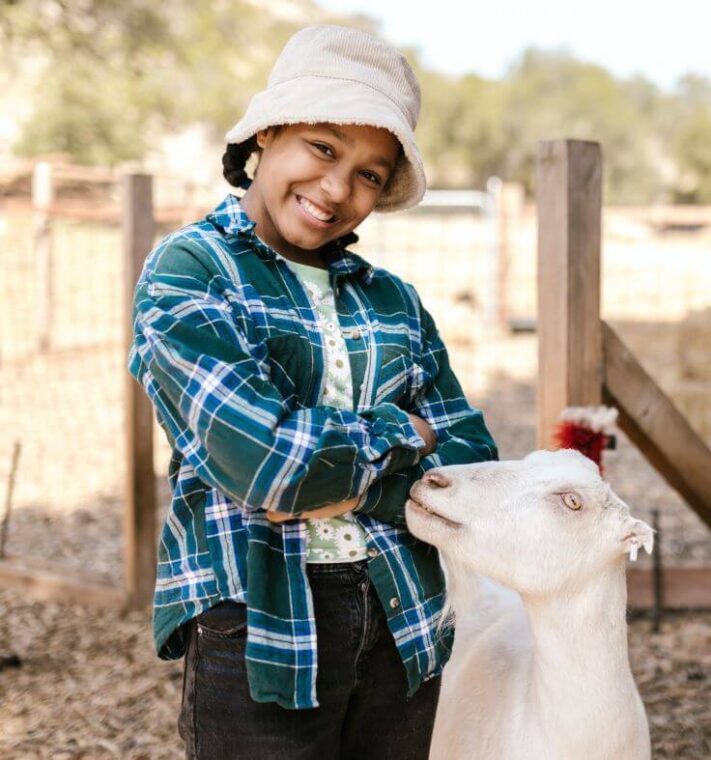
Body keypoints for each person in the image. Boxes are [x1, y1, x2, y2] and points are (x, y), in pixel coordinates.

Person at [126, 24, 498, 759]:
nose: (336, 189)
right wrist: (405, 435)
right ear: (267, 132)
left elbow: (475, 468)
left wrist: (345, 477)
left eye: (369, 173)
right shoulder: (189, 271)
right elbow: (268, 464)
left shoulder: (394, 300)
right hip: (259, 623)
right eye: (323, 148)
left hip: (407, 617)